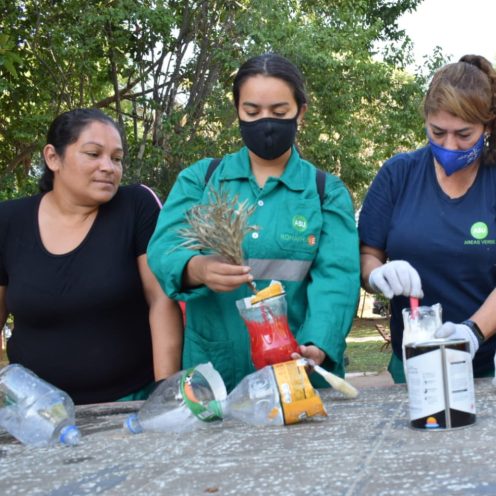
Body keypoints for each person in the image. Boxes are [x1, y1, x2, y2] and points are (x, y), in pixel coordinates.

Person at [147, 54, 360, 391]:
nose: (266, 123)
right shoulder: (201, 180)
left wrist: (318, 342)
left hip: (295, 372)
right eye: (252, 111)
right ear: (237, 111)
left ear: (300, 112)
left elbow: (338, 278)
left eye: (279, 112)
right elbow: (164, 248)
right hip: (214, 374)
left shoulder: (324, 192)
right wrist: (197, 268)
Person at [358, 55, 496, 383]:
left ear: (488, 126)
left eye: (464, 134)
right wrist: (377, 275)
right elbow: (368, 255)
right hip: (418, 360)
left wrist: (471, 333)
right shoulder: (397, 175)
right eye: (438, 132)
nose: (449, 145)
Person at [0, 108, 182, 404]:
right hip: (34, 409)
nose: (108, 167)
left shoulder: (136, 206)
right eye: (94, 154)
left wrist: (165, 395)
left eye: (117, 158)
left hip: (129, 401)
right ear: (53, 157)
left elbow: (161, 301)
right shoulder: (8, 221)